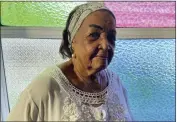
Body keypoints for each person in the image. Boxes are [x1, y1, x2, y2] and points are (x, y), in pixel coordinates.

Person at [7, 2, 133, 121]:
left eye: (111, 37)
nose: (106, 45)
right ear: (73, 40)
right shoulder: (45, 87)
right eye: (94, 35)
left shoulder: (115, 83)